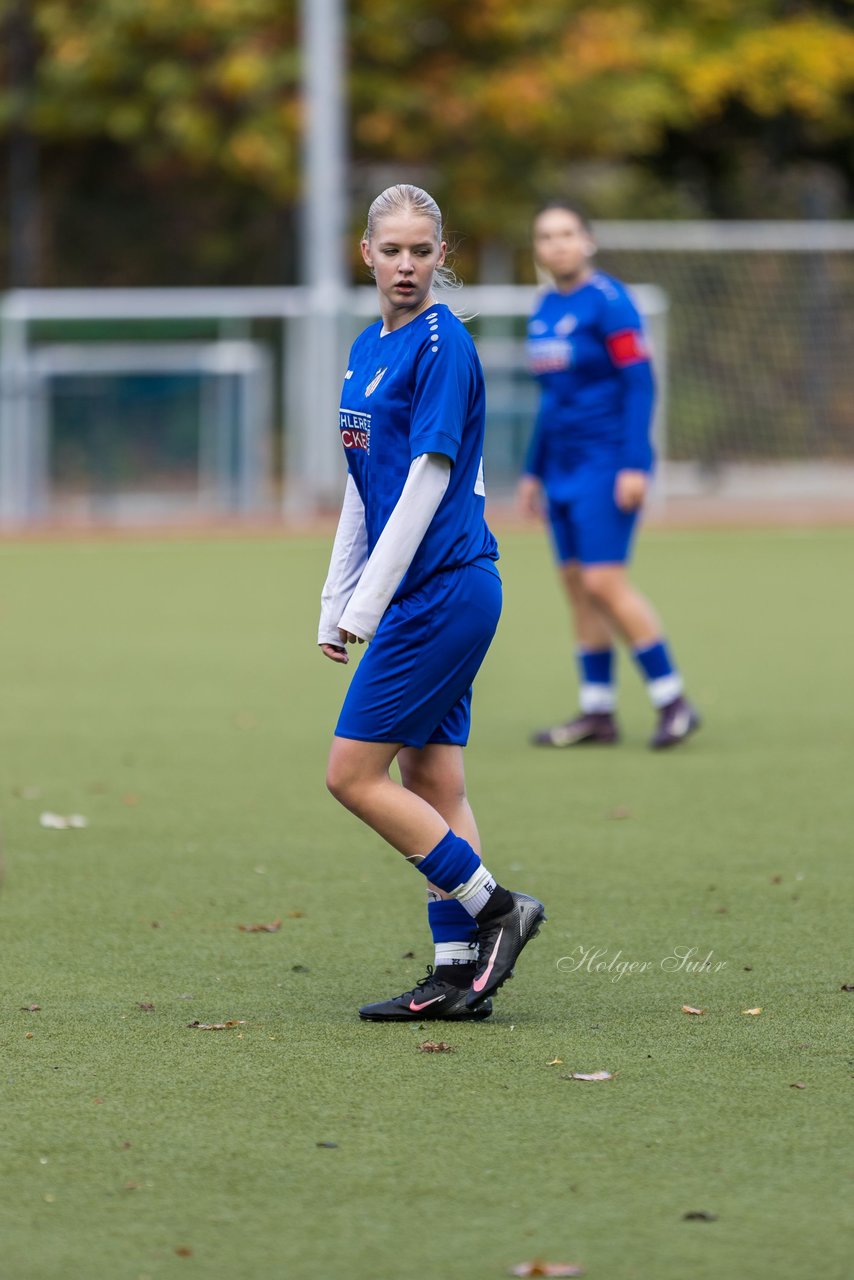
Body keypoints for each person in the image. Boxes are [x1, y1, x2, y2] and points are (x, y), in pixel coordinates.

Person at [318, 184, 545, 1022]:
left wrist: (366, 606)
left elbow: (428, 478)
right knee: (434, 778)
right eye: (392, 250)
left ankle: (497, 910)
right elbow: (362, 484)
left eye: (422, 250)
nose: (406, 265)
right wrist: (335, 597)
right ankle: (457, 976)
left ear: (442, 255)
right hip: (425, 591)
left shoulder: (444, 344)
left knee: (351, 775)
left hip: (443, 588)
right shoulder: (365, 346)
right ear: (366, 254)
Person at [517, 201, 700, 749]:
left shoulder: (610, 302)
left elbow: (640, 384)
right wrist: (532, 471)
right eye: (546, 236)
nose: (557, 244)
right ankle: (598, 712)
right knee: (577, 588)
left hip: (605, 463)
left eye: (567, 233)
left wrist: (635, 463)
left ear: (588, 241)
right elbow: (551, 399)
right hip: (561, 467)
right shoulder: (544, 307)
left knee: (603, 582)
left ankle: (673, 700)